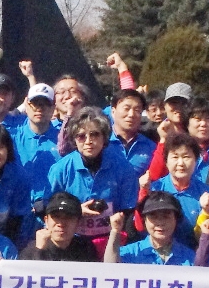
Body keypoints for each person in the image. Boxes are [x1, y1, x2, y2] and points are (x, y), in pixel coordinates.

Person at [47, 108, 140, 254]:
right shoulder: (60, 169)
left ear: (104, 137)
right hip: (71, 242)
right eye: (81, 136)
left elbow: (129, 210)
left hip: (111, 241)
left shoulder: (123, 168)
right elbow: (48, 208)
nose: (88, 141)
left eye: (95, 134)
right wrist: (76, 211)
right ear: (74, 139)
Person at [105, 192, 189, 266]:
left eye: (166, 217)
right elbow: (110, 270)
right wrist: (115, 230)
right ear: (144, 220)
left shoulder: (189, 256)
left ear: (176, 219)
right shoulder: (130, 252)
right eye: (153, 217)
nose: (160, 222)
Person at [20, 192, 99, 262]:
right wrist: (39, 252)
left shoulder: (86, 249)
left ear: (78, 223)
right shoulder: (31, 251)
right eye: (56, 217)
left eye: (68, 217)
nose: (61, 223)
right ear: (46, 221)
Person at [107, 89, 155, 179]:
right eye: (126, 109)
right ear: (113, 111)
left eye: (137, 110)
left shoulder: (150, 147)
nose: (131, 114)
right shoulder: (101, 142)